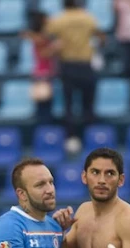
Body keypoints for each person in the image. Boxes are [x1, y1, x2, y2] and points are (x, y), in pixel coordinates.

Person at [45, 0, 105, 154]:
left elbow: (47, 36)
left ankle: (71, 139)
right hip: (86, 65)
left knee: (69, 105)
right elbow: (101, 37)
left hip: (68, 65)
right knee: (88, 104)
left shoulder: (59, 20)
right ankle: (91, 138)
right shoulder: (88, 18)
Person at [22, 11, 55, 122]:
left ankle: (45, 127)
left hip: (46, 70)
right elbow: (43, 54)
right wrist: (55, 48)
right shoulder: (40, 38)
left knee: (46, 103)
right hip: (42, 71)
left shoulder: (43, 37)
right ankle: (44, 128)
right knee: (43, 103)